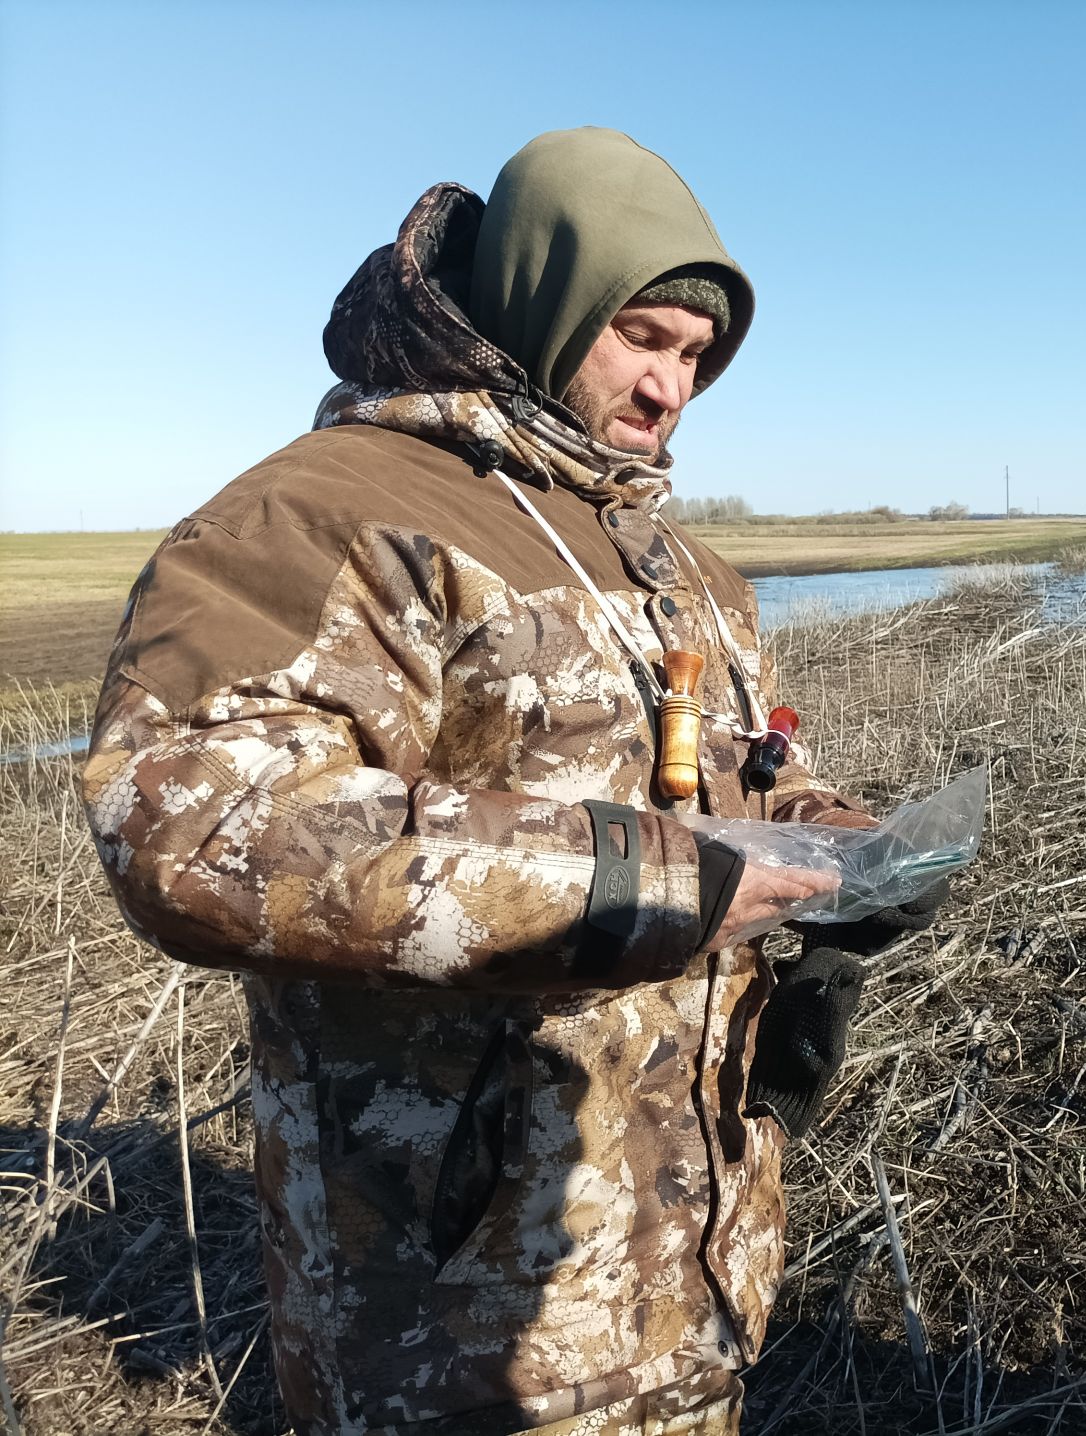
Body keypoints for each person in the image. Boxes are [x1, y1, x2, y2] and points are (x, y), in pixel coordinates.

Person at [83, 127, 939, 1436]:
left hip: (688, 1269)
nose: (672, 390)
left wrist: (842, 850)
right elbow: (186, 821)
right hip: (455, 1323)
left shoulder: (686, 572)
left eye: (696, 359)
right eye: (643, 339)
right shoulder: (326, 515)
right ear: (549, 299)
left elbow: (742, 790)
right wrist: (642, 879)